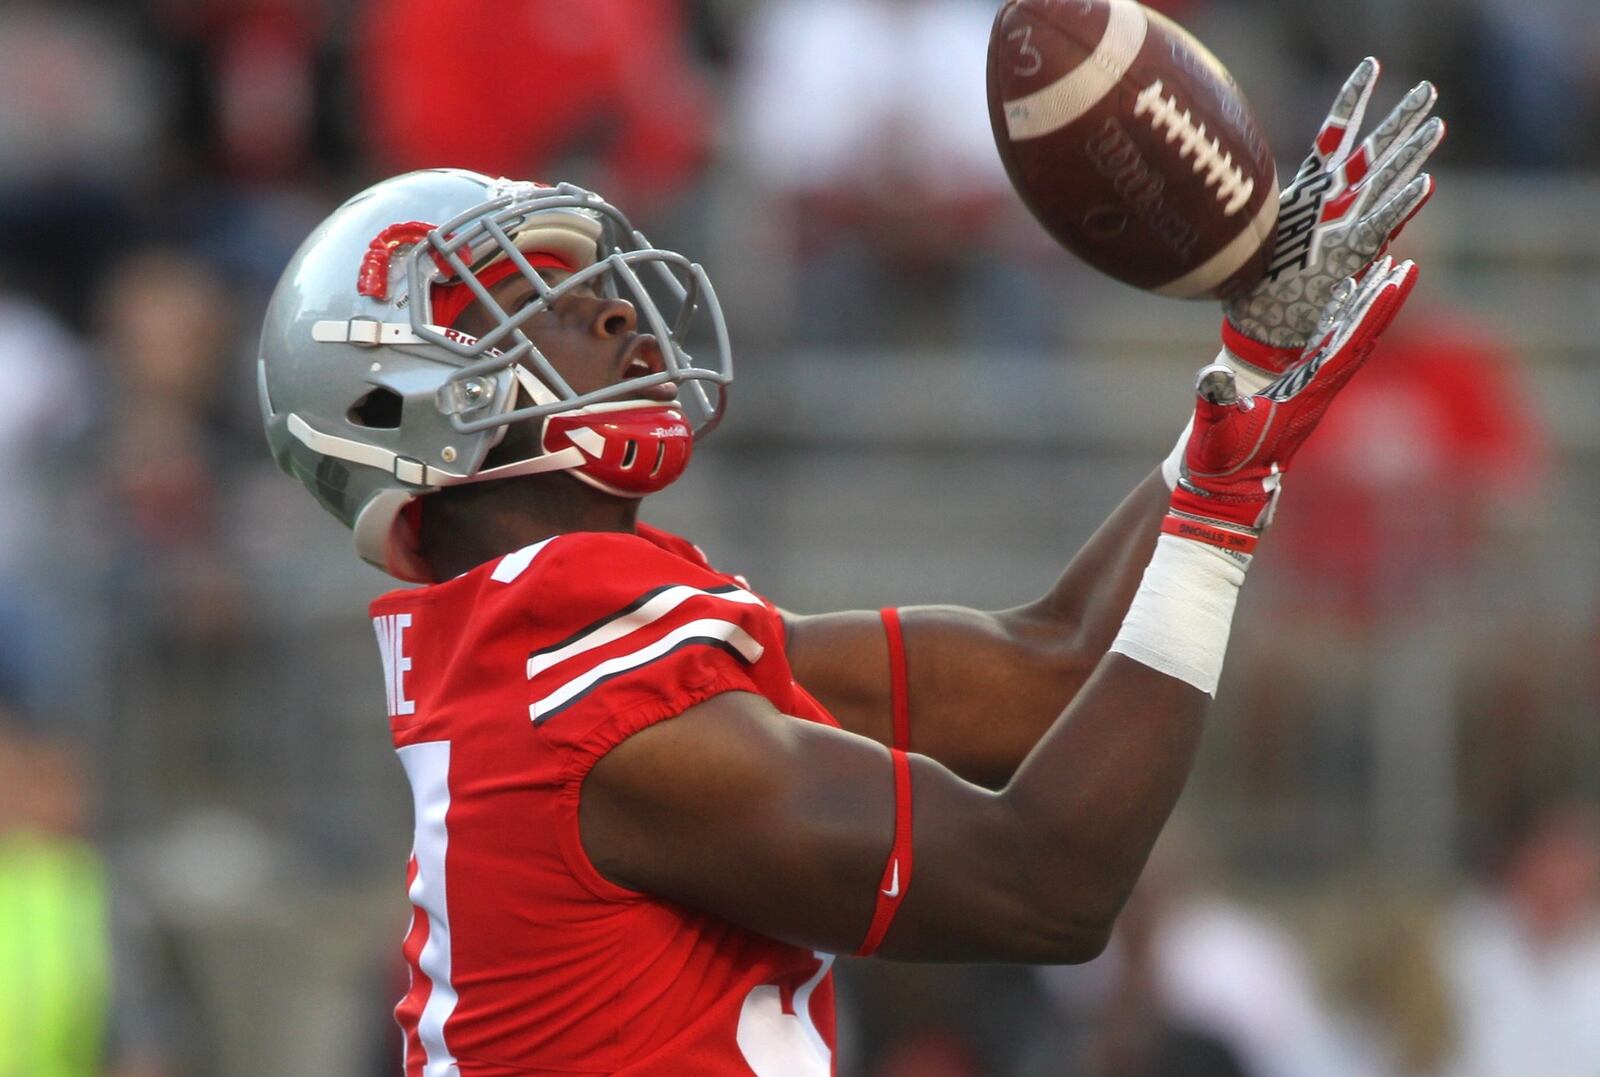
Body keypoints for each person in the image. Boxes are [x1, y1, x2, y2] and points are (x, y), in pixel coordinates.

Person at [257, 58, 1442, 1075]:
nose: (616, 314)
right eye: (543, 300)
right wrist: (1220, 510)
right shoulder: (590, 710)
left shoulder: (589, 646)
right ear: (419, 407)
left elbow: (1046, 673)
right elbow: (1045, 884)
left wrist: (1242, 372)